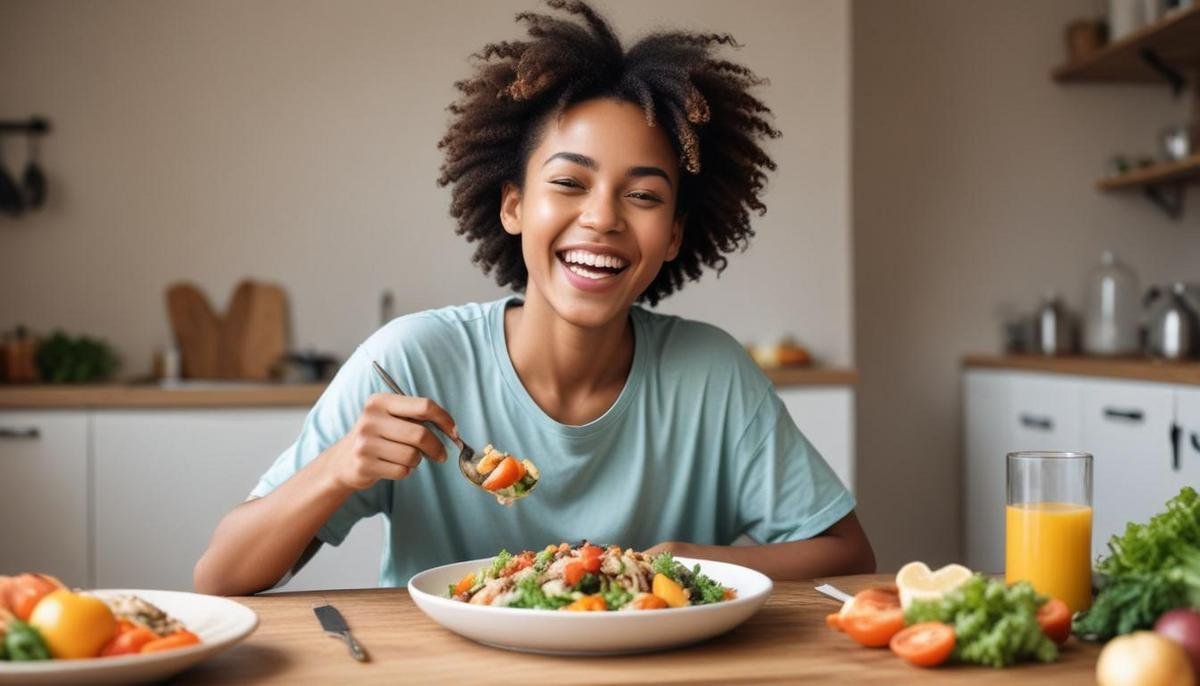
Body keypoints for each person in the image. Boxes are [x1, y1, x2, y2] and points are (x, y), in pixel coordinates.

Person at [194, 0, 874, 597]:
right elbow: (221, 577)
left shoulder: (712, 375)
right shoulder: (412, 362)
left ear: (673, 235)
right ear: (514, 205)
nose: (602, 218)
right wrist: (335, 472)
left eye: (643, 195)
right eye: (570, 184)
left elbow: (847, 555)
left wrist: (685, 561)